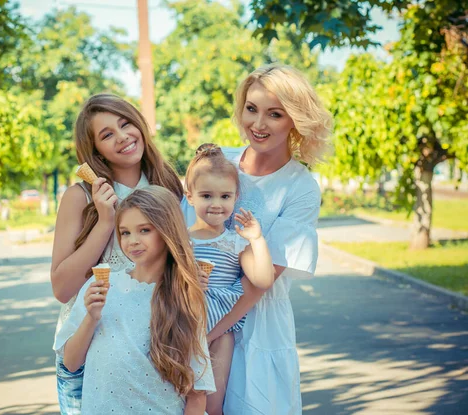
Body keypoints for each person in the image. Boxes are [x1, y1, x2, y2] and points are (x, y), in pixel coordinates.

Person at [182, 63, 333, 414]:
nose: (258, 124)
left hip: (257, 328)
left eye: (274, 114)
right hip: (192, 320)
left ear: (295, 119)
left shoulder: (300, 187)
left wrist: (205, 339)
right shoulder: (216, 164)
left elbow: (259, 283)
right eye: (251, 109)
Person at [50, 94, 183, 414]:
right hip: (91, 347)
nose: (122, 136)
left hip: (156, 348)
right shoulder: (79, 196)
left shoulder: (168, 187)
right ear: (95, 150)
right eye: (107, 134)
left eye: (126, 124)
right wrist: (106, 220)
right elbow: (62, 289)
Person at [54, 186, 216, 413]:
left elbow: (197, 393)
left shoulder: (185, 297)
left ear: (166, 230)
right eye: (125, 232)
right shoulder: (99, 287)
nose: (132, 241)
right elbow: (71, 363)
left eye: (144, 230)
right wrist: (91, 317)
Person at [184, 143, 274, 414]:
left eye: (225, 196)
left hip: (221, 328)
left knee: (213, 402)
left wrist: (257, 240)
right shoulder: (181, 239)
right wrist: (187, 280)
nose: (216, 204)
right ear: (190, 197)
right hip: (185, 322)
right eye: (207, 195)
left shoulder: (235, 241)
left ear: (236, 198)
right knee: (185, 394)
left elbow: (263, 280)